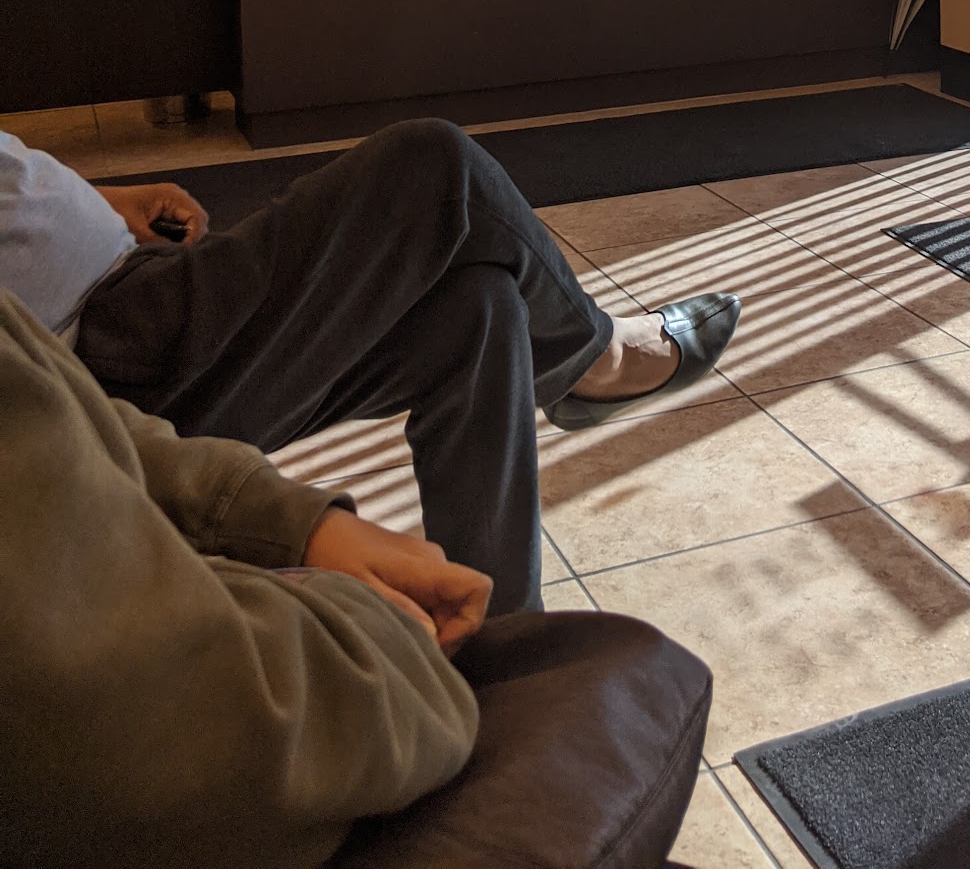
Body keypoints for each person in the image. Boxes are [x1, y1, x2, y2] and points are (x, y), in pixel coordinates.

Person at [0, 120, 740, 614]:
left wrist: (95, 200)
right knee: (433, 164)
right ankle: (596, 360)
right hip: (100, 352)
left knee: (477, 310)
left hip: (127, 286)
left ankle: (502, 631)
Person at [1, 283, 489, 868]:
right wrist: (384, 629)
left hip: (113, 308)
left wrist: (290, 519)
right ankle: (579, 357)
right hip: (113, 313)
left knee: (478, 304)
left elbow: (65, 406)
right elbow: (163, 728)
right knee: (452, 216)